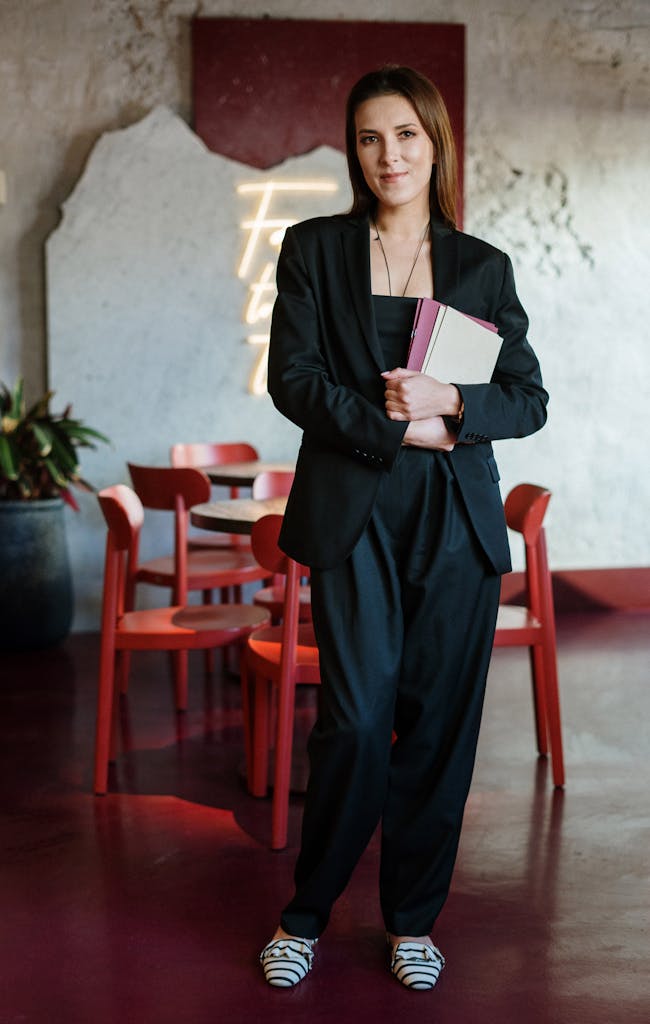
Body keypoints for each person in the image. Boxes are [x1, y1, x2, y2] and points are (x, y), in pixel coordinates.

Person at [259, 65, 548, 991]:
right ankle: (305, 915)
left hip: (455, 521)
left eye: (407, 136)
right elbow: (294, 382)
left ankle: (413, 920)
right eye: (371, 138)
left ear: (436, 144)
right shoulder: (311, 249)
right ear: (355, 149)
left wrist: (452, 402)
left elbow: (528, 399)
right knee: (353, 719)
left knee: (440, 727)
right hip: (354, 514)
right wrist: (397, 423)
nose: (390, 155)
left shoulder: (482, 267)